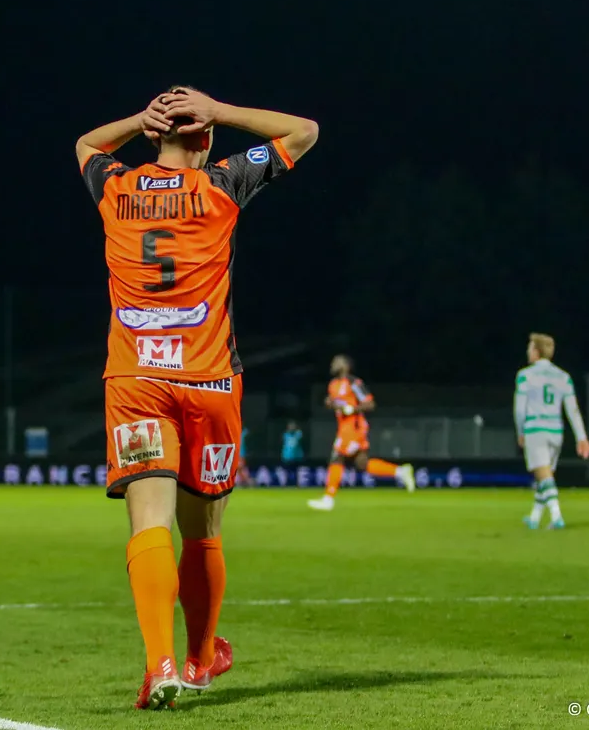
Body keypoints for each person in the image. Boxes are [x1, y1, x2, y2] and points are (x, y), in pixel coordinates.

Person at [76, 86, 318, 709]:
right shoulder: (221, 184)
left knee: (148, 521)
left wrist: (136, 120)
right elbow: (304, 131)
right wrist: (225, 110)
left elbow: (85, 145)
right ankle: (201, 657)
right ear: (206, 135)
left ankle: (160, 666)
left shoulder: (117, 187)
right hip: (208, 382)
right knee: (202, 533)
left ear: (156, 134)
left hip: (135, 383)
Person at [308, 355, 415, 511]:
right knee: (362, 464)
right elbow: (334, 402)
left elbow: (370, 404)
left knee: (337, 457)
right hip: (344, 427)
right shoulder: (333, 384)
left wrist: (353, 409)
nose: (332, 365)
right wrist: (329, 403)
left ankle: (328, 498)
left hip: (354, 427)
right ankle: (400, 472)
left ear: (345, 366)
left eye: (336, 362)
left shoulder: (354, 383)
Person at [515, 333, 589, 529]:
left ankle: (557, 516)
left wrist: (520, 431)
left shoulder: (525, 375)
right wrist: (581, 437)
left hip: (536, 430)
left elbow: (519, 409)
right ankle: (534, 518)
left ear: (536, 352)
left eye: (530, 347)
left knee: (545, 477)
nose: (527, 351)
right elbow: (572, 410)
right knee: (544, 476)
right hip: (556, 432)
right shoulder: (563, 377)